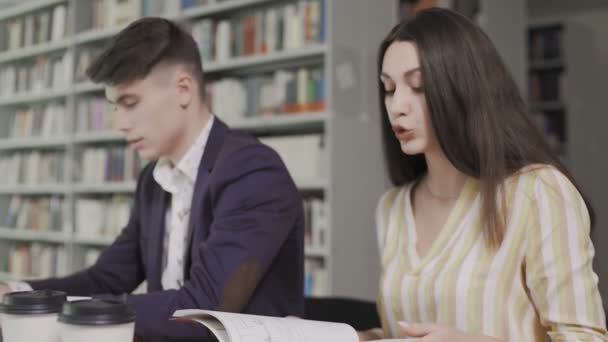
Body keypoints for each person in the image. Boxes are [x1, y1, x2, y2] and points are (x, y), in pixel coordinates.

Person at [0, 17, 305, 341]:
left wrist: (66, 313)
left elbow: (204, 309)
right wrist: (16, 294)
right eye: (114, 107)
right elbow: (107, 277)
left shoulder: (252, 172)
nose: (119, 122)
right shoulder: (152, 180)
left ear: (184, 90)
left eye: (129, 104)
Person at [360, 8, 607, 342]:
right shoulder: (392, 207)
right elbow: (406, 330)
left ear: (463, 90)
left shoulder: (537, 193)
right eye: (389, 89)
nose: (397, 105)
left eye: (417, 86)